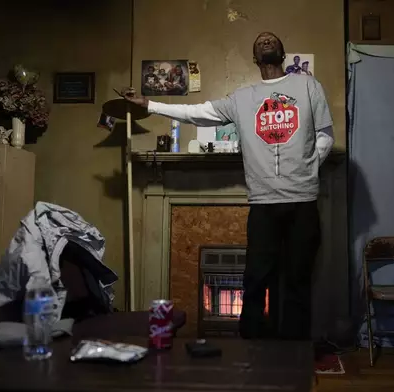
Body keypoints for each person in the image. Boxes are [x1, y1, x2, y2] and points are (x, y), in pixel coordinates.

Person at [122, 31, 334, 341]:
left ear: (282, 52)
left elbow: (325, 134)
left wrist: (308, 167)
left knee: (298, 280)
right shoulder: (241, 99)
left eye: (271, 38)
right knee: (256, 279)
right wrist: (151, 104)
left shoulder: (307, 85)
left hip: (303, 201)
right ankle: (251, 350)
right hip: (263, 204)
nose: (265, 40)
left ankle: (295, 354)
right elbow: (197, 112)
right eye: (260, 39)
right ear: (254, 58)